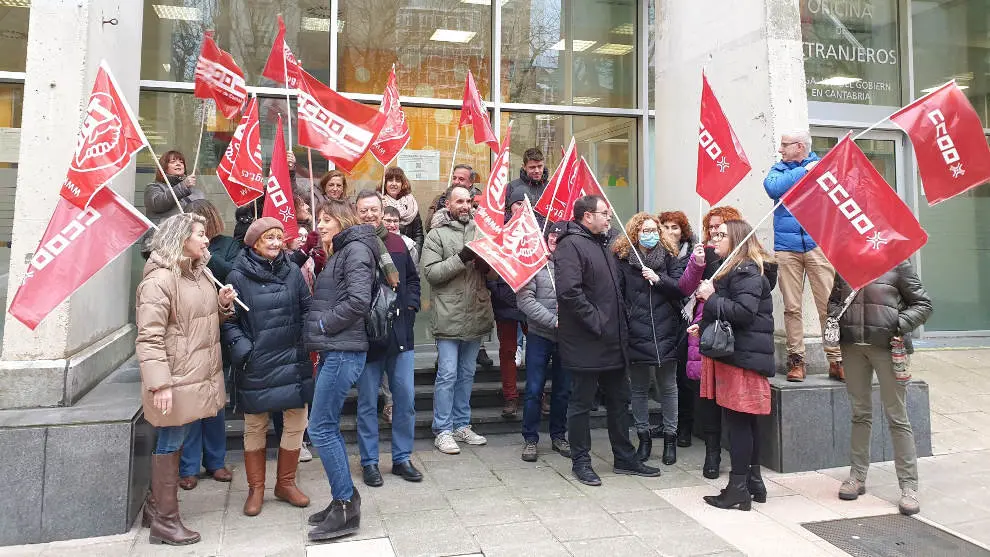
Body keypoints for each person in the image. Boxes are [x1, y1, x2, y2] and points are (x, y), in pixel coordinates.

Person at [135, 213, 235, 545]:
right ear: (181, 239)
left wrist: (221, 306)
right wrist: (160, 383)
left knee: (175, 438)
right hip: (175, 377)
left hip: (195, 374)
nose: (206, 240)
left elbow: (197, 322)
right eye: (199, 234)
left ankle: (155, 507)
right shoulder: (159, 280)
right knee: (171, 441)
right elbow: (149, 336)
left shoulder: (199, 273)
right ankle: (165, 521)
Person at [554, 195, 661, 486]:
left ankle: (624, 457)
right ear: (587, 216)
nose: (609, 218)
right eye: (604, 213)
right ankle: (581, 461)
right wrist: (598, 321)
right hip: (587, 341)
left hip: (614, 340)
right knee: (581, 403)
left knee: (619, 401)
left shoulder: (607, 243)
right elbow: (569, 292)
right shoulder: (570, 245)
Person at [222, 217, 313, 517]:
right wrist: (245, 351)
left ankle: (285, 483)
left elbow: (306, 309)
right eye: (268, 238)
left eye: (278, 237)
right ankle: (256, 489)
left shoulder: (293, 273)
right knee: (255, 426)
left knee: (297, 422)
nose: (275, 243)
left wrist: (307, 343)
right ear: (254, 242)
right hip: (257, 362)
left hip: (291, 359)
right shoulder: (238, 275)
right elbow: (230, 322)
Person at [829, 261, 932, 515]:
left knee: (897, 416)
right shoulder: (846, 261)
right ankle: (857, 476)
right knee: (859, 413)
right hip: (852, 346)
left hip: (889, 347)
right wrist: (836, 319)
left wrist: (897, 323)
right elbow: (833, 300)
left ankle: (908, 486)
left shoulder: (900, 263)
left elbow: (923, 304)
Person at [303, 201, 377, 542]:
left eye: (327, 218)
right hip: (336, 350)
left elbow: (359, 301)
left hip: (343, 351)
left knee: (320, 428)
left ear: (343, 220)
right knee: (324, 426)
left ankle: (346, 506)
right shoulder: (342, 251)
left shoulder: (356, 250)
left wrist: (324, 323)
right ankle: (342, 499)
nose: (321, 224)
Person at [694, 219, 777, 511]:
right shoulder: (736, 269)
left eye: (720, 235)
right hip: (742, 354)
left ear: (737, 239)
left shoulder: (746, 271)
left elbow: (743, 314)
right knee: (746, 421)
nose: (713, 239)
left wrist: (711, 297)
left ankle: (738, 488)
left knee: (739, 422)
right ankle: (753, 482)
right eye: (713, 235)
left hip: (743, 358)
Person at [614, 212, 705, 465]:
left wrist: (658, 279)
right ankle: (643, 438)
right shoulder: (623, 260)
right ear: (635, 233)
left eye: (654, 230)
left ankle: (670, 439)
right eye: (645, 230)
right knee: (640, 389)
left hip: (666, 331)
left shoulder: (670, 258)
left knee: (668, 388)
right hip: (637, 333)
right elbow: (619, 296)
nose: (650, 234)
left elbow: (681, 288)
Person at [353, 190, 424, 487]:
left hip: (400, 334)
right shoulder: (353, 245)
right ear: (356, 213)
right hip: (368, 337)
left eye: (374, 209)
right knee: (368, 402)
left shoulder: (398, 243)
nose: (369, 215)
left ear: (383, 211)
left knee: (405, 399)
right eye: (363, 210)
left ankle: (401, 458)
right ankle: (369, 462)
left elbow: (413, 280)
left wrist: (410, 306)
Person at [763, 130, 843, 382]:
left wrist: (815, 169)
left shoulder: (823, 168)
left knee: (828, 307)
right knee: (792, 307)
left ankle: (836, 358)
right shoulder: (778, 170)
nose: (781, 149)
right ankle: (796, 360)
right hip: (787, 248)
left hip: (818, 245)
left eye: (785, 145)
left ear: (800, 146)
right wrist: (804, 172)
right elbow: (773, 188)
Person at [422, 184, 494, 455]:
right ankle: (443, 429)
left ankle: (462, 425)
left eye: (469, 201)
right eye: (459, 201)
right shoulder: (436, 235)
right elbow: (431, 273)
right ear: (448, 205)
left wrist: (489, 268)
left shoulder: (482, 231)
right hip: (448, 314)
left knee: (467, 373)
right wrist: (462, 257)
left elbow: (495, 276)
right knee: (448, 374)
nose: (465, 206)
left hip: (476, 310)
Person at [177, 200, 236, 490]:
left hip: (216, 337)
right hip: (189, 343)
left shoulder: (227, 245)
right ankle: (188, 466)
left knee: (214, 405)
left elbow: (233, 274)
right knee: (191, 407)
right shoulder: (178, 257)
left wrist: (209, 259)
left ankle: (215, 461)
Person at [684, 205, 742, 480]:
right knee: (707, 397)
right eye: (712, 228)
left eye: (721, 229)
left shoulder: (746, 260)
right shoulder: (705, 254)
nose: (715, 233)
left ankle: (741, 461)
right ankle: (712, 452)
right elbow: (686, 287)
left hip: (736, 334)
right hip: (708, 330)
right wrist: (696, 264)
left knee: (731, 397)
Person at [517, 221, 570, 462]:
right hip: (540, 335)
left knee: (563, 390)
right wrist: (553, 321)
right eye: (551, 238)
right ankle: (530, 439)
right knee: (534, 389)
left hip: (568, 339)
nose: (555, 242)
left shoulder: (573, 264)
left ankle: (559, 435)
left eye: (560, 239)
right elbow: (525, 301)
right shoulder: (534, 265)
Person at [657, 210, 698, 449]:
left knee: (682, 378)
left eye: (675, 228)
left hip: (685, 319)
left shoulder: (692, 254)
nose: (670, 232)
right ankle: (667, 422)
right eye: (666, 227)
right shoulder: (656, 254)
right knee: (665, 377)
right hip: (664, 320)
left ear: (683, 232)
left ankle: (684, 427)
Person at [489, 189, 529, 419]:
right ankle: (511, 397)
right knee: (507, 351)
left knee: (536, 354)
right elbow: (491, 266)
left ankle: (538, 394)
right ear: (509, 207)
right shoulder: (499, 231)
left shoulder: (536, 229)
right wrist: (497, 290)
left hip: (532, 300)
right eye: (517, 204)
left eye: (525, 204)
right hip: (505, 299)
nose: (521, 208)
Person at [143, 150, 206, 254]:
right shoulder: (154, 187)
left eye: (181, 162)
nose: (178, 164)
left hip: (188, 245)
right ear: (164, 167)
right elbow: (158, 203)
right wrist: (183, 186)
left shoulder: (196, 192)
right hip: (162, 244)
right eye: (173, 161)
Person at [382, 166, 425, 257]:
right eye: (390, 180)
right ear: (384, 183)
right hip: (384, 254)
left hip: (408, 254)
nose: (394, 184)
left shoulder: (411, 204)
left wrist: (415, 254)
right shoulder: (378, 202)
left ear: (402, 184)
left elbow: (418, 234)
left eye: (397, 180)